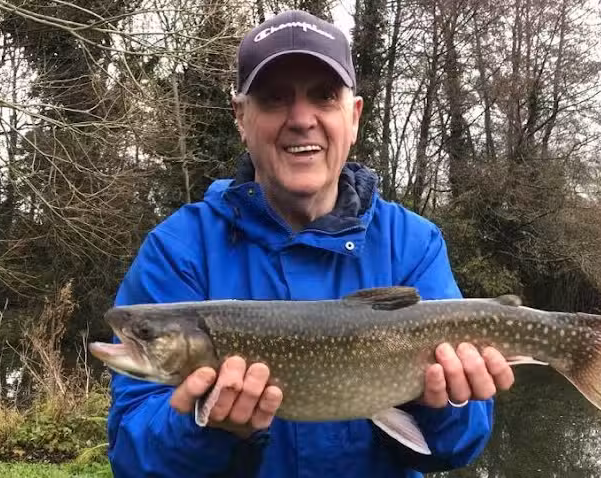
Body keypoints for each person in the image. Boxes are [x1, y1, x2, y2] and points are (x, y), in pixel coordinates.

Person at [106, 9, 515, 477]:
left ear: (353, 116)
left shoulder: (414, 244)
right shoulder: (177, 250)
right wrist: (208, 430)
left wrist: (447, 406)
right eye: (275, 98)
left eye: (324, 96)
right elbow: (132, 456)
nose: (302, 119)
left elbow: (458, 446)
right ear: (241, 117)